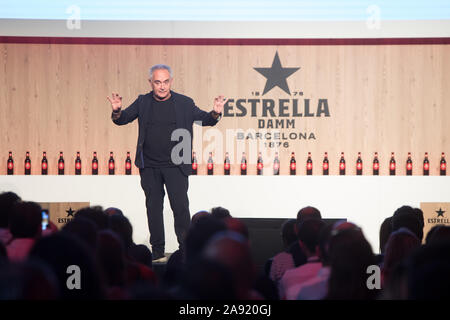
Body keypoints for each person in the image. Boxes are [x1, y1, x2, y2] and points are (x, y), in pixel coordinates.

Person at [108, 64, 226, 262]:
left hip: (177, 165)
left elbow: (205, 120)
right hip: (150, 166)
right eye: (157, 82)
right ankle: (157, 251)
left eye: (165, 82)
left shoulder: (185, 103)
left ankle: (186, 250)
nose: (162, 86)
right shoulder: (142, 101)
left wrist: (215, 112)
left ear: (171, 81)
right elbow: (123, 119)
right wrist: (117, 110)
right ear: (151, 83)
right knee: (153, 209)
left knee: (180, 209)